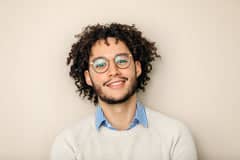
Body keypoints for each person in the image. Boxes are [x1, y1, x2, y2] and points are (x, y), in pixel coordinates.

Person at [50, 23, 198, 160]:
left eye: (121, 61)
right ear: (88, 77)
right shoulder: (69, 143)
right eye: (100, 64)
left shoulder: (175, 135)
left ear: (137, 68)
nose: (113, 71)